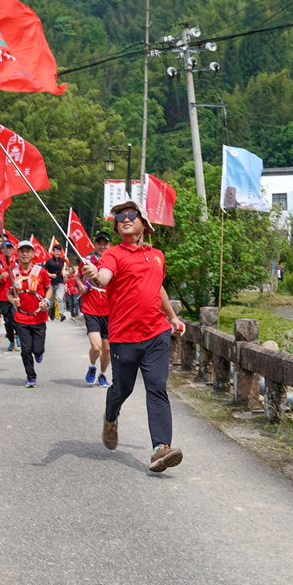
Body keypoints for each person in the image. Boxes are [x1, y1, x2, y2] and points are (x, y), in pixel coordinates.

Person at [81, 201, 185, 473]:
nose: (124, 219)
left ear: (144, 224)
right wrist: (94, 275)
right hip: (124, 337)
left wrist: (172, 317)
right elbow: (104, 277)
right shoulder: (113, 254)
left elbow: (157, 287)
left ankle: (161, 448)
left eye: (130, 215)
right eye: (119, 217)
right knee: (122, 389)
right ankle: (111, 417)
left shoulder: (157, 256)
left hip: (156, 333)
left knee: (157, 386)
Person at [8, 239, 52, 388]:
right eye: (22, 251)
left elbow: (49, 288)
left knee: (37, 350)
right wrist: (12, 301)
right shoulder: (13, 273)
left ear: (33, 254)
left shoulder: (41, 271)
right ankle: (30, 376)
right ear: (18, 253)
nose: (25, 254)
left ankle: (39, 352)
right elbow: (9, 293)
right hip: (21, 317)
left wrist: (46, 300)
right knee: (25, 350)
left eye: (28, 251)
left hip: (39, 317)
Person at [79, 230, 112, 388]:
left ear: (110, 245)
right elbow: (78, 276)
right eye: (99, 243)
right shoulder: (86, 261)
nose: (102, 246)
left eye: (105, 243)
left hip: (110, 312)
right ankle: (92, 366)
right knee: (96, 346)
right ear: (94, 244)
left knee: (107, 349)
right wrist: (80, 285)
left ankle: (103, 375)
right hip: (91, 309)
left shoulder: (113, 263)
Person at [0, 237, 20, 352]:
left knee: (17, 317)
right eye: (6, 248)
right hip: (3, 295)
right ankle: (11, 340)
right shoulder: (0, 262)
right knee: (8, 320)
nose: (8, 250)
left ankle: (19, 335)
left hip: (17, 294)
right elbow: (3, 279)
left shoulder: (17, 260)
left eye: (10, 248)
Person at [43, 245, 68, 322]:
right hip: (51, 283)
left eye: (58, 251)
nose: (57, 252)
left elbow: (62, 269)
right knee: (51, 301)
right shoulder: (49, 261)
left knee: (60, 298)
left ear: (60, 252)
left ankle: (61, 314)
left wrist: (64, 275)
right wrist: (51, 275)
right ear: (53, 252)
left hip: (59, 282)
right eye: (56, 251)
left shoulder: (62, 261)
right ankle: (47, 315)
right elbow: (44, 271)